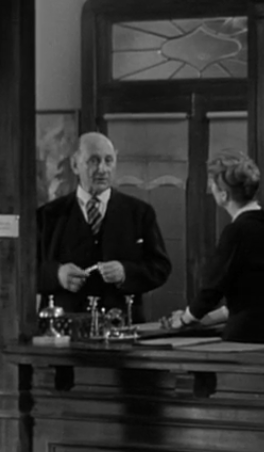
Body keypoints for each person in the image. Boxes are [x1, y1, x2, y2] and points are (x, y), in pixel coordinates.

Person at [36, 132, 171, 322]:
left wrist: (125, 272)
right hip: (66, 327)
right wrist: (57, 275)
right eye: (93, 161)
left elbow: (160, 268)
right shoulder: (48, 216)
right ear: (75, 165)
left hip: (123, 326)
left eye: (108, 161)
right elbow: (24, 271)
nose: (102, 169)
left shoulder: (140, 213)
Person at [163, 152, 264, 343]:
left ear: (224, 194)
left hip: (244, 335)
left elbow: (213, 287)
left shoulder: (236, 231)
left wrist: (185, 318)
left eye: (213, 185)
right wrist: (205, 318)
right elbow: (250, 297)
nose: (211, 189)